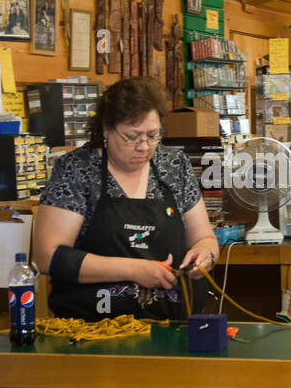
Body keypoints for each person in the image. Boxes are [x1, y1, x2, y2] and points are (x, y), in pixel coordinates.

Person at [36, 77, 219, 320]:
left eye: (152, 135)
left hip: (172, 326)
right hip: (93, 332)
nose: (144, 146)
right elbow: (49, 257)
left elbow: (204, 237)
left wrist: (205, 254)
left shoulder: (174, 166)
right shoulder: (77, 170)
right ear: (106, 129)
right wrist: (134, 270)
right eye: (132, 137)